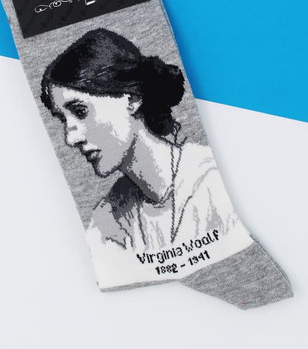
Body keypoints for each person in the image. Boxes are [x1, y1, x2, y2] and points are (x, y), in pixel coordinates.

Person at [40, 28, 240, 253]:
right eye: (62, 119)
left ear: (132, 100)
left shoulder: (215, 180)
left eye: (80, 111)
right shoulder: (109, 220)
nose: (71, 138)